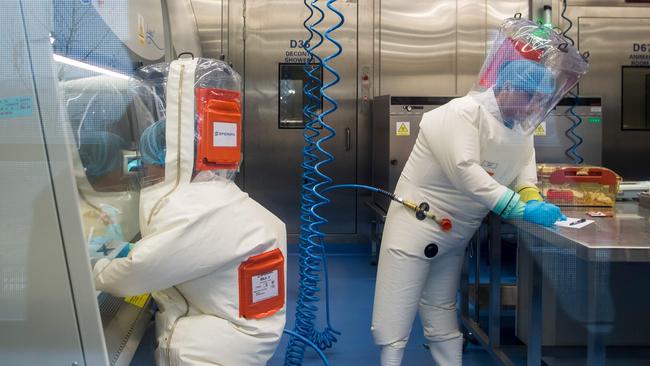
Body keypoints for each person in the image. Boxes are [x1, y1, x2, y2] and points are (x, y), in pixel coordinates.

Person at [371, 17, 589, 366]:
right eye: (528, 97)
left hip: (457, 232)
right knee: (395, 311)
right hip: (417, 224)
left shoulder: (520, 128)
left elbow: (522, 172)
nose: (532, 107)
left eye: (539, 100)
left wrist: (531, 197)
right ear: (506, 87)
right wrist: (520, 208)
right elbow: (465, 172)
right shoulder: (459, 114)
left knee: (441, 307)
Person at [93, 58, 287, 365]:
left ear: (173, 161)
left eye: (149, 161)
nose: (144, 169)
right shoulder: (224, 197)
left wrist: (94, 269)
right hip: (248, 334)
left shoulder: (199, 214)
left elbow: (133, 274)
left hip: (216, 349)